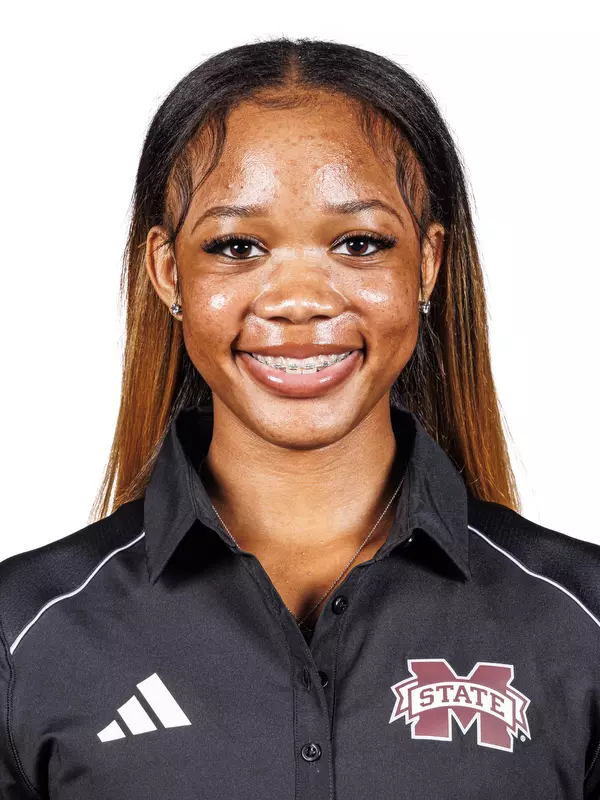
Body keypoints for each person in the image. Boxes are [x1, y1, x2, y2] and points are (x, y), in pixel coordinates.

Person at [1, 37, 599, 800]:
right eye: (237, 245)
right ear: (166, 270)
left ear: (428, 262)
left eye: (359, 243)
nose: (299, 298)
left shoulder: (582, 625)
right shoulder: (25, 635)